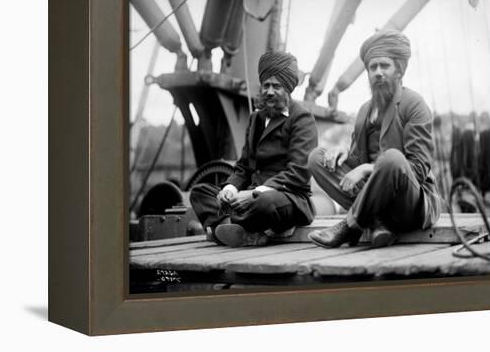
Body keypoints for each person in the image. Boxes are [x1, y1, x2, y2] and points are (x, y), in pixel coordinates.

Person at [308, 29, 445, 249]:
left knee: (392, 158)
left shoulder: (414, 104)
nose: (378, 72)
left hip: (409, 202)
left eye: (385, 66)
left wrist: (366, 169)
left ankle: (349, 227)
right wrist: (344, 153)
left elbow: (417, 169)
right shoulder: (364, 111)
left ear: (399, 70)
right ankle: (377, 222)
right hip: (377, 199)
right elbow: (356, 158)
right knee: (318, 157)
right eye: (373, 67)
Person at [190, 51, 318, 247]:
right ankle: (243, 230)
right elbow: (243, 167)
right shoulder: (256, 119)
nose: (269, 91)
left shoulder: (302, 118)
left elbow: (298, 173)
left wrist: (254, 194)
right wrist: (230, 189)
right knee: (200, 192)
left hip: (287, 197)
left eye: (276, 86)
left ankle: (223, 227)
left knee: (264, 204)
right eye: (266, 85)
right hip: (250, 194)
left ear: (289, 88)